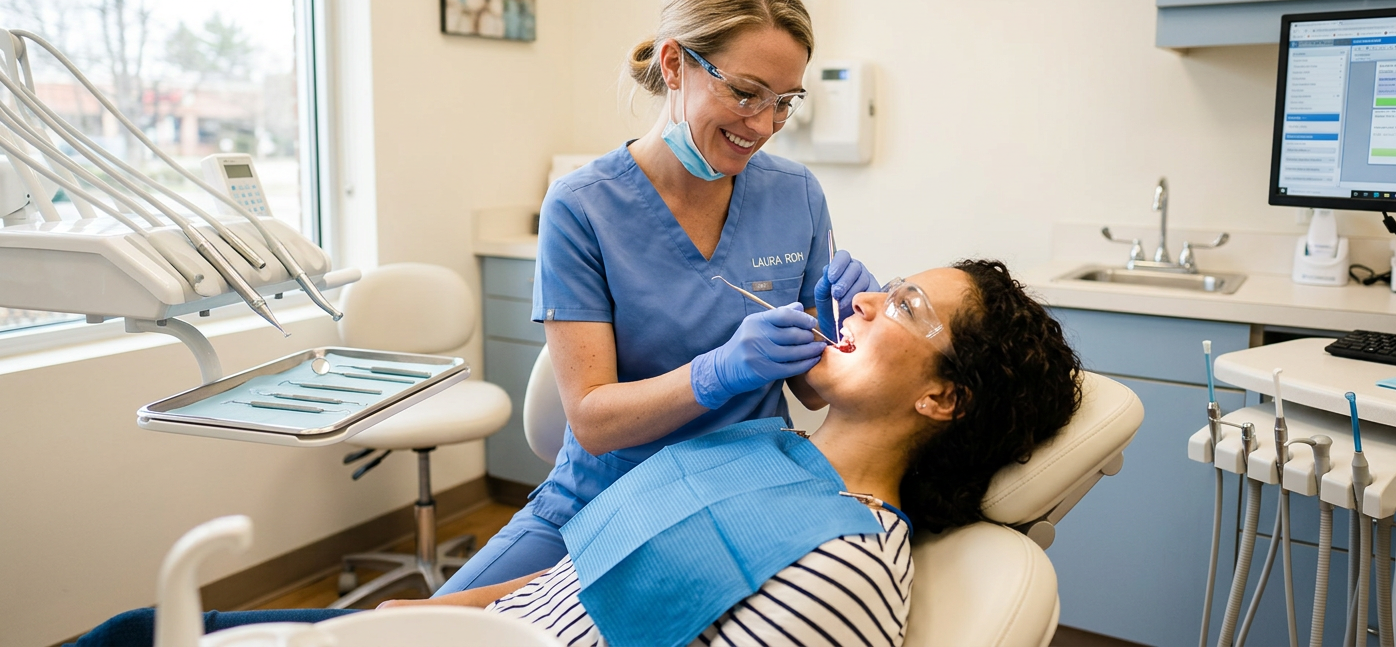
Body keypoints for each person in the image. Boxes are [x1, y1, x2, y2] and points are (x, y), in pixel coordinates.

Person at [72, 260, 1082, 647]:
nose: (859, 298)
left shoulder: (848, 565)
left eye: (903, 305)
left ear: (943, 395)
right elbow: (570, 579)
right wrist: (411, 615)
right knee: (132, 630)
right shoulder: (757, 445)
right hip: (463, 634)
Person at [434, 0, 882, 592]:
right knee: (425, 625)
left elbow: (812, 393)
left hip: (742, 491)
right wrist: (720, 370)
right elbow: (590, 418)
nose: (762, 126)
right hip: (600, 494)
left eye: (785, 103)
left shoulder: (797, 194)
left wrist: (838, 325)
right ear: (675, 65)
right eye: (745, 92)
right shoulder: (583, 206)